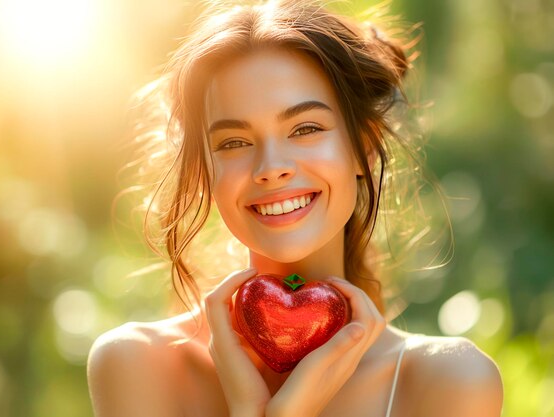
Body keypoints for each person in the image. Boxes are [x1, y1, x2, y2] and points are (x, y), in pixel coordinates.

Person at [87, 1, 504, 416]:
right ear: (204, 171)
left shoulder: (448, 382)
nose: (271, 169)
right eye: (233, 142)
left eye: (305, 129)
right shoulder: (137, 365)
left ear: (365, 147)